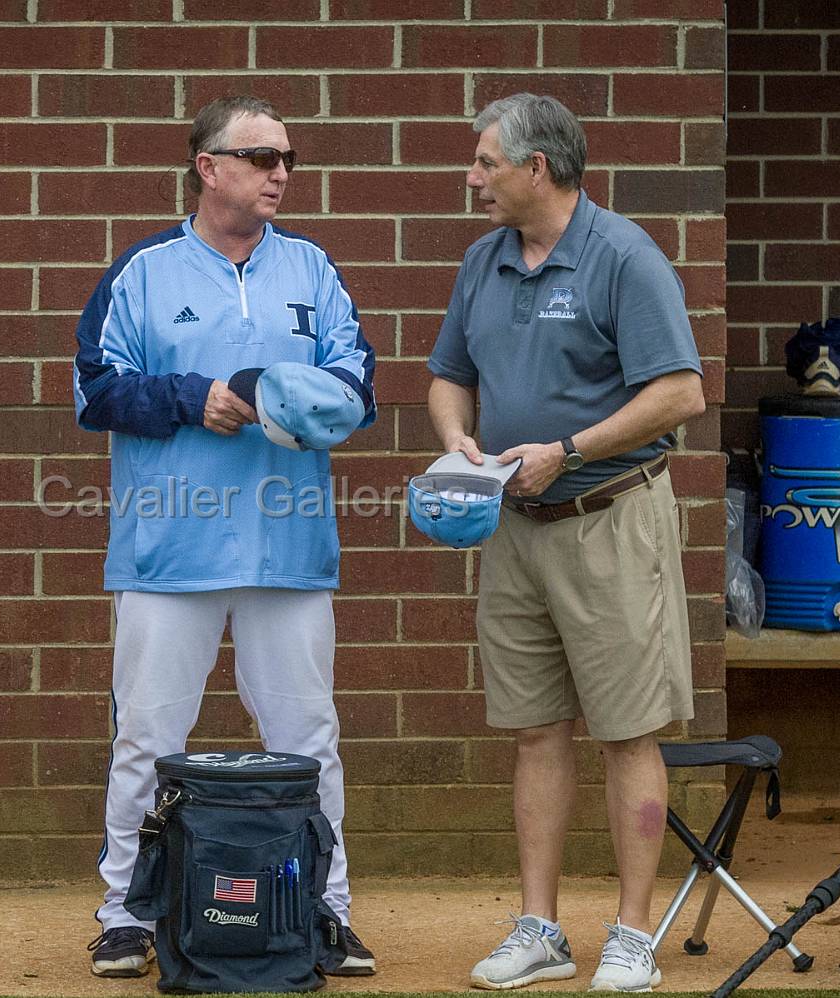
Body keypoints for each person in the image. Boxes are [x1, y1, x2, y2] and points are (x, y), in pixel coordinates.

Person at [72, 95, 379, 980]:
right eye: (263, 156)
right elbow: (94, 390)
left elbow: (358, 385)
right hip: (170, 552)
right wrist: (191, 398)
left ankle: (324, 909)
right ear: (209, 167)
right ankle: (126, 913)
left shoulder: (313, 270)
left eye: (288, 158)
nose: (282, 172)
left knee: (308, 738)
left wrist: (312, 404)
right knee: (147, 738)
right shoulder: (143, 270)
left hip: (288, 551)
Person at [424, 93, 705, 993]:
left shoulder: (624, 256)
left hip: (610, 520)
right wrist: (456, 442)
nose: (472, 180)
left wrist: (569, 451)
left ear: (535, 169)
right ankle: (540, 929)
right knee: (535, 731)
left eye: (485, 164)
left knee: (629, 732)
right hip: (514, 525)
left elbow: (680, 394)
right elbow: (446, 376)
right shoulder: (483, 260)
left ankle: (632, 934)